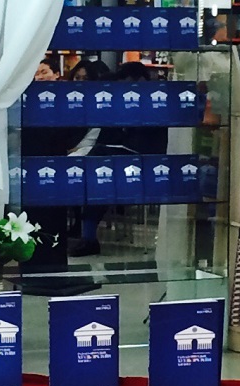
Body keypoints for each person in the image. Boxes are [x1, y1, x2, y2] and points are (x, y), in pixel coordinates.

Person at [69, 62, 169, 257]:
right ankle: (86, 235)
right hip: (117, 160)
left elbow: (148, 146)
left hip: (143, 163)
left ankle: (87, 236)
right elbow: (109, 137)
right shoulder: (120, 103)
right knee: (97, 171)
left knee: (98, 166)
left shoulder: (154, 104)